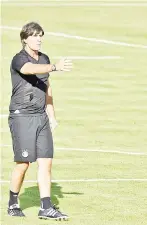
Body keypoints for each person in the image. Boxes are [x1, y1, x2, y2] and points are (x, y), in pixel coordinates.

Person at [7, 21, 72, 220]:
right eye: (34, 35)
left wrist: (52, 115)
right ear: (25, 39)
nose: (38, 39)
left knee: (46, 162)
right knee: (24, 164)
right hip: (22, 116)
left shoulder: (43, 58)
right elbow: (27, 69)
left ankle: (46, 207)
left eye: (40, 35)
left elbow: (47, 88)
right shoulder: (19, 59)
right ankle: (13, 202)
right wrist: (54, 67)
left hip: (41, 116)